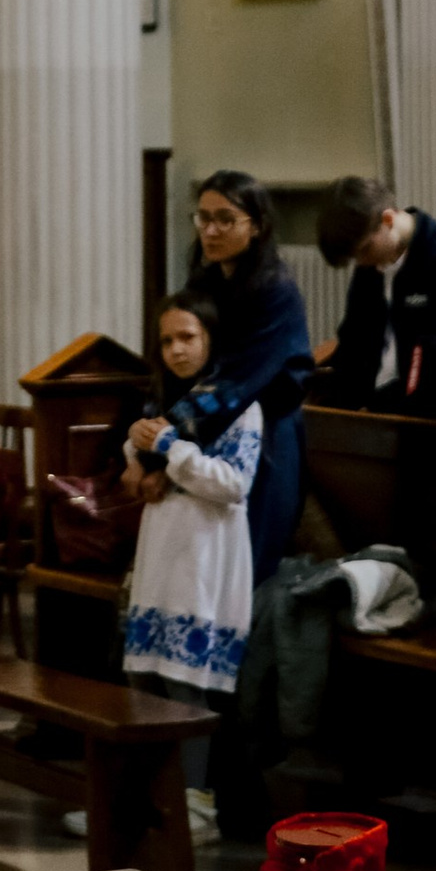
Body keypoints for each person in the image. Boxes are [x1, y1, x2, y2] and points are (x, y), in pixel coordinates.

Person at [119, 295, 257, 705]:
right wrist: (135, 461)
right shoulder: (163, 400)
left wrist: (171, 449)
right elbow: (140, 457)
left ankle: (192, 772)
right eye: (166, 341)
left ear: (211, 339)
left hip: (206, 552)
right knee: (143, 685)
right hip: (161, 550)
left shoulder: (238, 405)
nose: (176, 349)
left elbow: (234, 484)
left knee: (186, 692)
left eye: (187, 337)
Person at [179, 169, 316, 579]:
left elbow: (235, 382)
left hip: (267, 435)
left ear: (255, 226)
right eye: (204, 218)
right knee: (204, 567)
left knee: (247, 567)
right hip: (210, 427)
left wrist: (165, 438)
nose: (212, 230)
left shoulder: (275, 290)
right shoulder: (205, 282)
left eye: (225, 219)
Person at [313, 175, 436, 421]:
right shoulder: (370, 267)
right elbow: (354, 340)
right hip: (373, 417)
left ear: (388, 219)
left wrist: (381, 406)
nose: (361, 262)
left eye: (364, 250)